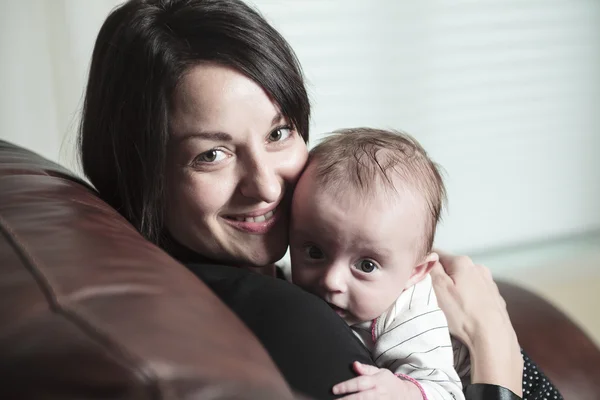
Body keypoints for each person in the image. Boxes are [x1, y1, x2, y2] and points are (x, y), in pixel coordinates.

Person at [77, 0, 562, 399]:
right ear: (139, 168)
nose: (266, 186)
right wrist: (492, 337)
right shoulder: (284, 318)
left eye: (279, 132)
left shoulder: (290, 280)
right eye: (213, 154)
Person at [289, 128, 467, 400]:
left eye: (367, 266)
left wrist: (403, 391)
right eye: (315, 252)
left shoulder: (410, 318)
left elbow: (447, 392)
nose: (331, 280)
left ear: (415, 273)